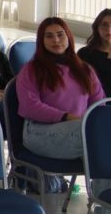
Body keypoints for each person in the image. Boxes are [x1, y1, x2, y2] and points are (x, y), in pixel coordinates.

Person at [17, 17, 105, 160]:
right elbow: (29, 106)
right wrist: (67, 116)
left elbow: (98, 104)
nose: (56, 40)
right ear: (41, 41)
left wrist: (93, 121)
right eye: (49, 36)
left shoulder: (85, 69)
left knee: (100, 135)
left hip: (78, 128)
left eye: (60, 35)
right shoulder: (32, 70)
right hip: (39, 131)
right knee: (96, 134)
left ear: (68, 37)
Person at [77, 8, 111, 95]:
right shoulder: (85, 54)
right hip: (95, 101)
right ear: (97, 28)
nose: (109, 29)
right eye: (104, 25)